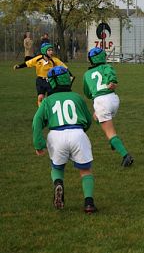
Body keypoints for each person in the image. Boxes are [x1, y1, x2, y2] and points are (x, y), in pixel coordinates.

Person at [32, 66, 97, 213]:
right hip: (77, 134)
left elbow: (37, 121)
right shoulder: (77, 97)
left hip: (56, 135)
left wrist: (39, 144)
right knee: (85, 170)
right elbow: (88, 120)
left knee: (57, 167)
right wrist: (80, 129)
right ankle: (89, 203)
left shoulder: (48, 101)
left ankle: (58, 183)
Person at [83, 47, 134, 167]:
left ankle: (126, 155)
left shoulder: (87, 74)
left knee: (110, 133)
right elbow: (111, 76)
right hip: (113, 99)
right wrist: (112, 82)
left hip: (101, 101)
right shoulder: (107, 66)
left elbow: (87, 93)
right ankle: (114, 142)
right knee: (96, 117)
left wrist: (94, 93)